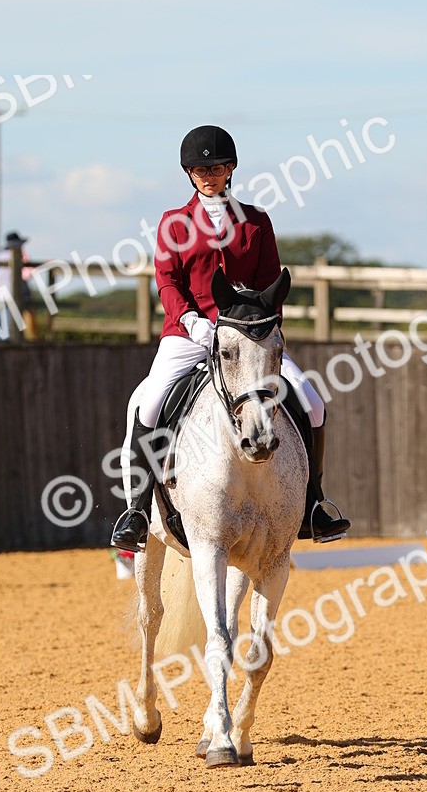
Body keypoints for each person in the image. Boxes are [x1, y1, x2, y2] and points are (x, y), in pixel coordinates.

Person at [110, 124, 349, 552]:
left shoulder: (256, 221)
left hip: (248, 338)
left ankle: (313, 503)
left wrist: (261, 328)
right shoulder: (174, 223)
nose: (209, 176)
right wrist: (191, 321)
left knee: (311, 401)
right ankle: (138, 510)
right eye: (201, 169)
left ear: (231, 169)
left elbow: (270, 284)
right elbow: (167, 281)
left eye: (217, 168)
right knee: (150, 402)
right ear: (189, 173)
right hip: (189, 333)